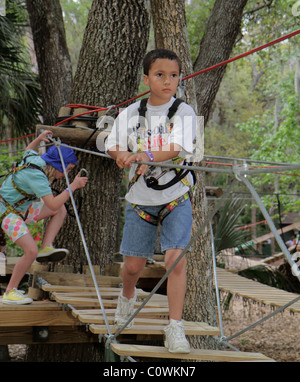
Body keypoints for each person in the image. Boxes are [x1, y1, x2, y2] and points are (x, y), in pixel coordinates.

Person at [106, 49, 197, 353]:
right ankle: (127, 297)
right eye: (160, 75)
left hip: (176, 196)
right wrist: (121, 155)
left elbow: (175, 148)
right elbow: (112, 144)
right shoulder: (131, 113)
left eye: (173, 75)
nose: (167, 81)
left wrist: (142, 155)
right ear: (146, 79)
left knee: (175, 260)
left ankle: (175, 327)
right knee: (133, 266)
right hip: (141, 199)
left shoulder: (184, 112)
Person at [0, 130, 88, 305]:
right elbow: (52, 204)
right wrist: (73, 186)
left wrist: (37, 140)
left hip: (21, 209)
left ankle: (46, 247)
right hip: (8, 214)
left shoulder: (36, 159)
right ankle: (9, 292)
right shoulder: (37, 176)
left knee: (61, 209)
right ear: (57, 165)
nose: (67, 174)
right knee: (30, 251)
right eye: (67, 170)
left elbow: (28, 150)